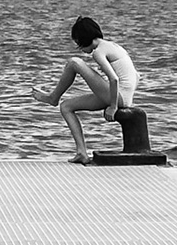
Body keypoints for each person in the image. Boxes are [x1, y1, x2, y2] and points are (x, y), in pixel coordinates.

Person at [31, 16, 138, 164]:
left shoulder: (99, 51)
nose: (80, 49)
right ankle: (82, 153)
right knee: (66, 106)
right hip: (122, 96)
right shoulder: (114, 46)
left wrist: (113, 106)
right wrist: (126, 97)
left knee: (74, 62)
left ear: (84, 40)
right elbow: (136, 75)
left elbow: (114, 79)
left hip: (118, 97)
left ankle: (53, 98)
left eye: (78, 44)